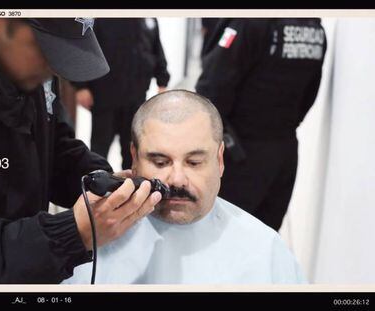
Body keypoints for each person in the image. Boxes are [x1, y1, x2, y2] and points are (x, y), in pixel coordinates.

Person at [0, 18, 162, 283]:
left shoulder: (26, 72)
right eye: (48, 51)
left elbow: (54, 146)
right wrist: (72, 233)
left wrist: (102, 181)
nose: (56, 69)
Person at [63, 90, 306, 284]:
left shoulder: (264, 250)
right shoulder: (92, 238)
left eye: (194, 162)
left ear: (220, 160)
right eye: (160, 162)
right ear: (134, 159)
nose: (177, 179)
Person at [195, 18, 327, 231]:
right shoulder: (315, 28)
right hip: (283, 152)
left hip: (239, 153)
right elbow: (309, 94)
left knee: (222, 236)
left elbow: (211, 90)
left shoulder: (250, 21)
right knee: (264, 237)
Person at [74, 18, 170, 170]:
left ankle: (131, 187)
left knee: (132, 149)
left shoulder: (148, 17)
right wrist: (81, 86)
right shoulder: (101, 17)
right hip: (105, 96)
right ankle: (96, 185)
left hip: (136, 97)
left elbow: (156, 48)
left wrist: (162, 80)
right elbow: (84, 49)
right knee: (99, 149)